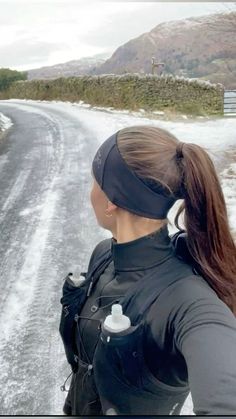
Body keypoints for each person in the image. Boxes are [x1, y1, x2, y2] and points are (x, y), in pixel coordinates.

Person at [59, 126, 236, 415]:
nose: (89, 190)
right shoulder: (104, 254)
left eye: (94, 180)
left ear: (111, 201)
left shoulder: (190, 303)